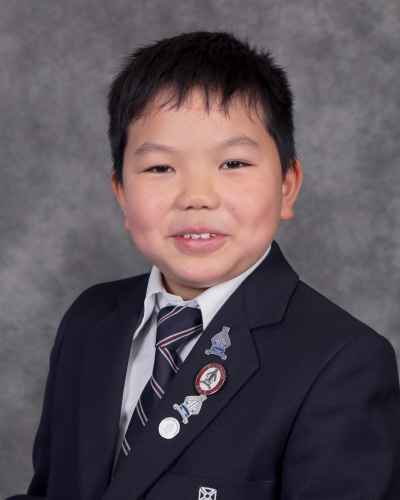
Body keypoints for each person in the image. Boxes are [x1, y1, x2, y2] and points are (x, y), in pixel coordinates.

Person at [7, 31, 400, 500]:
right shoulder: (90, 320)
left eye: (233, 163)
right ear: (122, 195)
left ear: (287, 186)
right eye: (160, 168)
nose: (197, 197)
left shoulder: (344, 362)